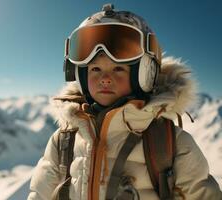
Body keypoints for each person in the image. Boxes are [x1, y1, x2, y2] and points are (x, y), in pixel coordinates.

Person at [28, 3, 222, 200]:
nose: (105, 78)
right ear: (80, 75)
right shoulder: (64, 140)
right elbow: (40, 194)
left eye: (118, 69)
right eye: (95, 69)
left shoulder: (173, 144)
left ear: (145, 74)